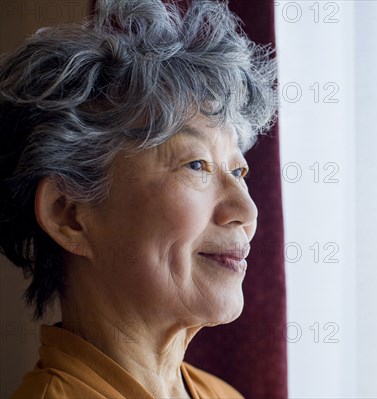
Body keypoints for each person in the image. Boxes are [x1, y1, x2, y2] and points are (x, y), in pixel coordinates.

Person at [0, 0, 277, 397]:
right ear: (70, 215)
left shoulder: (222, 393)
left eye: (237, 171)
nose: (246, 212)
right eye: (196, 165)